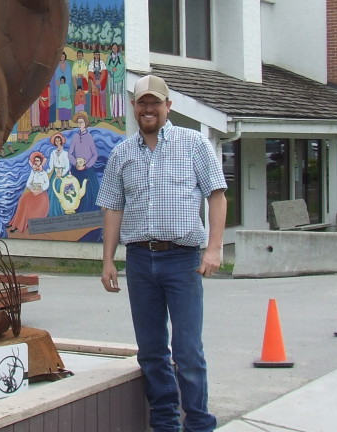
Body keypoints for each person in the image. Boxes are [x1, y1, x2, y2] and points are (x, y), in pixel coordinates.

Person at [96, 74, 227, 432]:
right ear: (135, 108)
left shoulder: (193, 144)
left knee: (187, 350)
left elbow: (217, 195)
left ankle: (199, 423)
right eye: (142, 102)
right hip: (139, 260)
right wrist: (108, 260)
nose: (149, 108)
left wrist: (214, 248)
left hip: (182, 259)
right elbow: (112, 208)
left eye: (156, 102)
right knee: (151, 351)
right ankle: (166, 423)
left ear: (168, 106)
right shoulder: (122, 153)